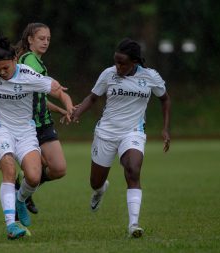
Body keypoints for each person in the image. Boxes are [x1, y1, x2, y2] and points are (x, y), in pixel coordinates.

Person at [71, 38, 171, 238]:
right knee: (95, 182)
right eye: (116, 62)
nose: (118, 66)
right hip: (106, 133)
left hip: (133, 132)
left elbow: (165, 99)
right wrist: (76, 112)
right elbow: (92, 98)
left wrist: (165, 128)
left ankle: (133, 224)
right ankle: (100, 190)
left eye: (122, 63)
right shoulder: (108, 74)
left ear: (135, 62)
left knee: (133, 169)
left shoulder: (150, 77)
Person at [0, 34, 73, 240]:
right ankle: (11, 225)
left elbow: (58, 90)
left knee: (33, 176)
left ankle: (20, 200)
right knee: (10, 170)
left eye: (6, 67)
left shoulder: (29, 76)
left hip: (26, 131)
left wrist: (68, 106)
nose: (2, 72)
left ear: (15, 60)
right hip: (0, 128)